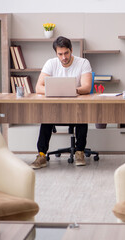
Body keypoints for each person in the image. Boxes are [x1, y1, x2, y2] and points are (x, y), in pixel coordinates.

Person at [30, 36, 93, 169]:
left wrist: (72, 90)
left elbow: (87, 87)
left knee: (82, 115)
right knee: (46, 117)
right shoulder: (51, 63)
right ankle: (41, 155)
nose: (63, 57)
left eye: (66, 53)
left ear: (71, 50)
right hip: (55, 108)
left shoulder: (83, 63)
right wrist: (55, 91)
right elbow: (38, 87)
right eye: (60, 54)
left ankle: (79, 151)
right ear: (56, 53)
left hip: (76, 107)